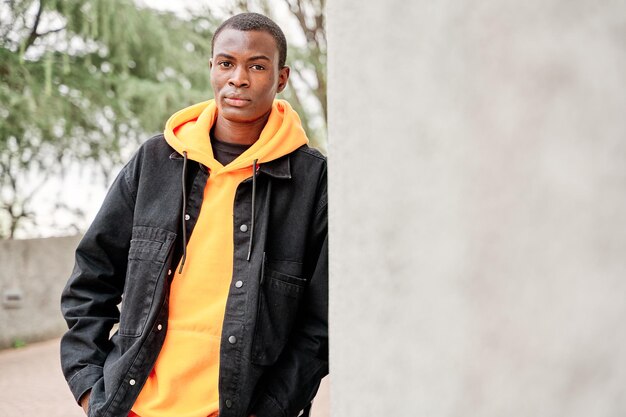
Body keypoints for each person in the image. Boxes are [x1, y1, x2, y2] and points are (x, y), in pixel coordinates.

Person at [60, 12, 328, 417]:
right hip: (134, 406)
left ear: (281, 78)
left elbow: (321, 322)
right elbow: (91, 279)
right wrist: (89, 388)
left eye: (257, 66)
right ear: (212, 69)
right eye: (226, 63)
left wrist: (272, 409)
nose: (238, 78)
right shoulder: (155, 161)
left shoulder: (312, 180)